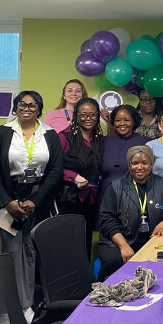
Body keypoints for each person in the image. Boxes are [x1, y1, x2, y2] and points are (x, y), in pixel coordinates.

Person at [0, 91, 64, 324]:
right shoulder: (2, 133)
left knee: (29, 253)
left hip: (37, 200)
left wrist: (36, 200)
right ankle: (6, 308)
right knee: (10, 253)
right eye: (22, 104)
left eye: (32, 105)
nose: (26, 108)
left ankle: (26, 306)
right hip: (9, 199)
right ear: (15, 107)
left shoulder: (49, 135)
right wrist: (7, 202)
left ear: (39, 109)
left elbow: (56, 171)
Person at [97, 145, 163, 280]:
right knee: (114, 261)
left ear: (151, 164)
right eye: (135, 163)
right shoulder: (115, 187)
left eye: (144, 163)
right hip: (117, 240)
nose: (139, 167)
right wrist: (123, 245)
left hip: (151, 239)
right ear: (129, 165)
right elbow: (107, 221)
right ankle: (104, 291)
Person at [58, 97, 104, 256]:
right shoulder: (64, 136)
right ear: (76, 116)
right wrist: (74, 177)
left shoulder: (98, 139)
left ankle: (82, 278)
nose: (88, 119)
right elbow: (54, 167)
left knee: (85, 242)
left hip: (91, 200)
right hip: (68, 199)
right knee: (68, 242)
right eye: (83, 115)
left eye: (92, 115)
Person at [99, 104, 149, 206]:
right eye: (118, 120)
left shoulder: (146, 142)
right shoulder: (103, 141)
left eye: (126, 120)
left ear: (134, 121)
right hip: (105, 194)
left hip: (134, 195)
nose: (122, 123)